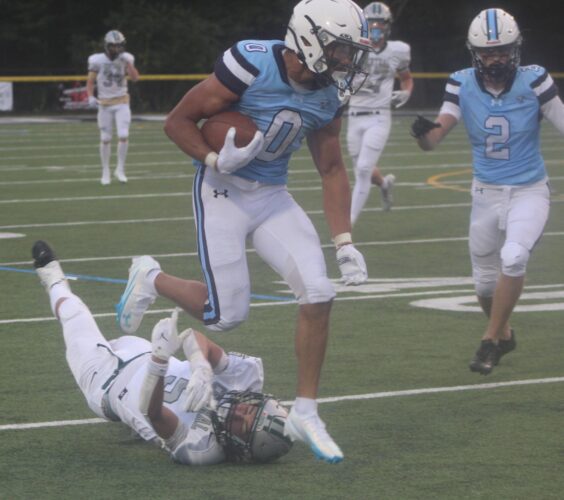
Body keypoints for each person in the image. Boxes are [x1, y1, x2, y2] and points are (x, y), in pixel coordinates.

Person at [115, 0, 371, 464]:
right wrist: (215, 159)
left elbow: (332, 167)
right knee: (224, 317)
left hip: (272, 195)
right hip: (223, 190)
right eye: (340, 49)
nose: (346, 60)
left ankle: (307, 411)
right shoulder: (251, 63)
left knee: (319, 292)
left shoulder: (329, 94)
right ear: (309, 39)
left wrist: (344, 242)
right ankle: (150, 277)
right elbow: (178, 121)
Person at [31, 240, 292, 465]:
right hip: (140, 350)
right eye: (249, 409)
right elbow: (195, 338)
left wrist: (160, 359)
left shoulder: (202, 449)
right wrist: (200, 364)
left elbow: (152, 413)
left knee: (74, 315)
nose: (239, 411)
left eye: (243, 425)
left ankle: (52, 276)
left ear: (243, 448)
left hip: (106, 384)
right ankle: (143, 284)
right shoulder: (246, 378)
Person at [411, 8, 564, 375]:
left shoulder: (535, 80)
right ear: (474, 53)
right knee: (483, 285)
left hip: (528, 190)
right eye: (488, 53)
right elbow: (437, 136)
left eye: (502, 51)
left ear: (516, 49)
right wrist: (424, 135)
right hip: (485, 194)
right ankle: (505, 334)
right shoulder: (461, 82)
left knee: (513, 257)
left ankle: (490, 341)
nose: (496, 59)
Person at [346, 1, 413, 219]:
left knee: (364, 169)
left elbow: (406, 78)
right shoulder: (353, 49)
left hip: (379, 117)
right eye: (371, 22)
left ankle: (347, 227)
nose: (376, 26)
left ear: (387, 25)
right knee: (362, 169)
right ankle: (384, 184)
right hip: (354, 116)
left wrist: (406, 92)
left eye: (380, 22)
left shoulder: (398, 51)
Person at [86, 30, 139, 186]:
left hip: (122, 102)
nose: (116, 49)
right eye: (114, 46)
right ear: (107, 46)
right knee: (105, 138)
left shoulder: (126, 58)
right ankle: (105, 171)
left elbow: (135, 78)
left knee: (123, 134)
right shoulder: (97, 60)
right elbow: (90, 81)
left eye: (119, 46)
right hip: (104, 103)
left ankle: (120, 169)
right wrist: (90, 96)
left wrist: (128, 64)